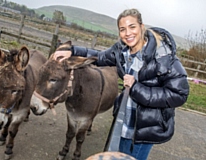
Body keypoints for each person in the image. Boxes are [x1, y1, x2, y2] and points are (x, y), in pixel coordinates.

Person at [53, 8, 189, 160]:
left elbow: (179, 94)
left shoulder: (164, 57)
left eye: (132, 27)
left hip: (143, 129)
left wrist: (136, 88)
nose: (128, 33)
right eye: (122, 29)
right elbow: (99, 56)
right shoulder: (121, 51)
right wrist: (72, 51)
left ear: (141, 27)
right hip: (124, 121)